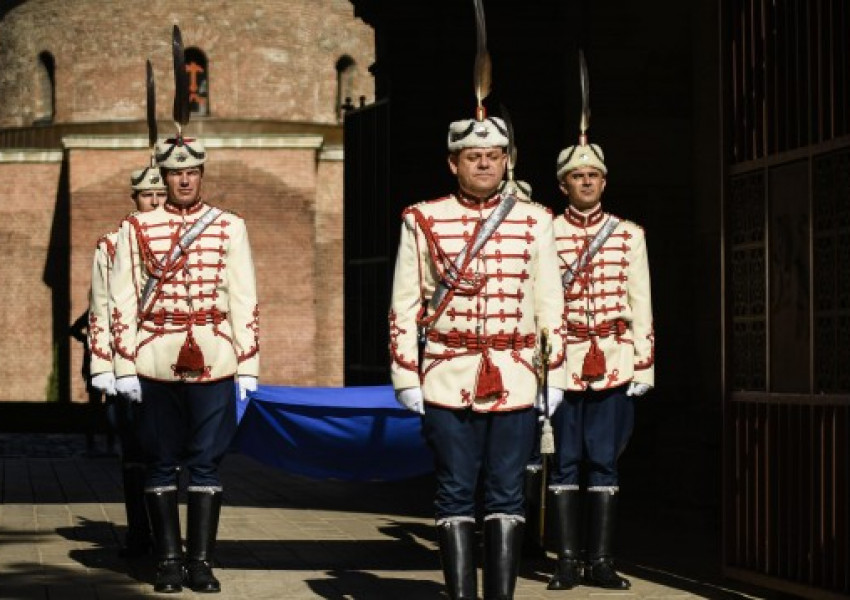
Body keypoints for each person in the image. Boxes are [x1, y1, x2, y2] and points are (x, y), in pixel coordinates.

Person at [389, 115, 567, 600]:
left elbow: (549, 302)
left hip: (515, 374)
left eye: (493, 156)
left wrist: (556, 379)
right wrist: (406, 375)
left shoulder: (538, 220)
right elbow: (405, 304)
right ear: (453, 163)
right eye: (473, 156)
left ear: (506, 161)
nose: (484, 162)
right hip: (449, 373)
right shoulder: (422, 219)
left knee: (508, 493)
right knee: (454, 490)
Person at [108, 133, 260, 594]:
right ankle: (168, 561)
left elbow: (244, 296)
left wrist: (248, 363)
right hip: (155, 354)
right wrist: (122, 366)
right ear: (165, 176)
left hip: (214, 355)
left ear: (201, 175)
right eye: (176, 173)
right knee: (159, 460)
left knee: (208, 464)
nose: (185, 180)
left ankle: (202, 562)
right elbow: (122, 299)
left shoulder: (229, 226)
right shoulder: (135, 228)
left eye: (192, 172)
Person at [546, 141, 655, 590]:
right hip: (563, 365)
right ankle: (567, 562)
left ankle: (603, 562)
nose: (586, 181)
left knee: (605, 463)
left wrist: (644, 367)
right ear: (563, 184)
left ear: (604, 182)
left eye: (593, 175)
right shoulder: (545, 232)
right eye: (577, 175)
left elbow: (641, 302)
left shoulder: (629, 234)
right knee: (566, 463)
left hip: (613, 359)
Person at [87, 167, 166, 556]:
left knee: (168, 455)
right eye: (148, 196)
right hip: (129, 365)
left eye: (161, 195)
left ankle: (167, 536)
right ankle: (140, 532)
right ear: (134, 198)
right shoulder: (111, 245)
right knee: (135, 453)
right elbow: (100, 308)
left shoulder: (183, 241)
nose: (155, 202)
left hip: (169, 363)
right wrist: (103, 366)